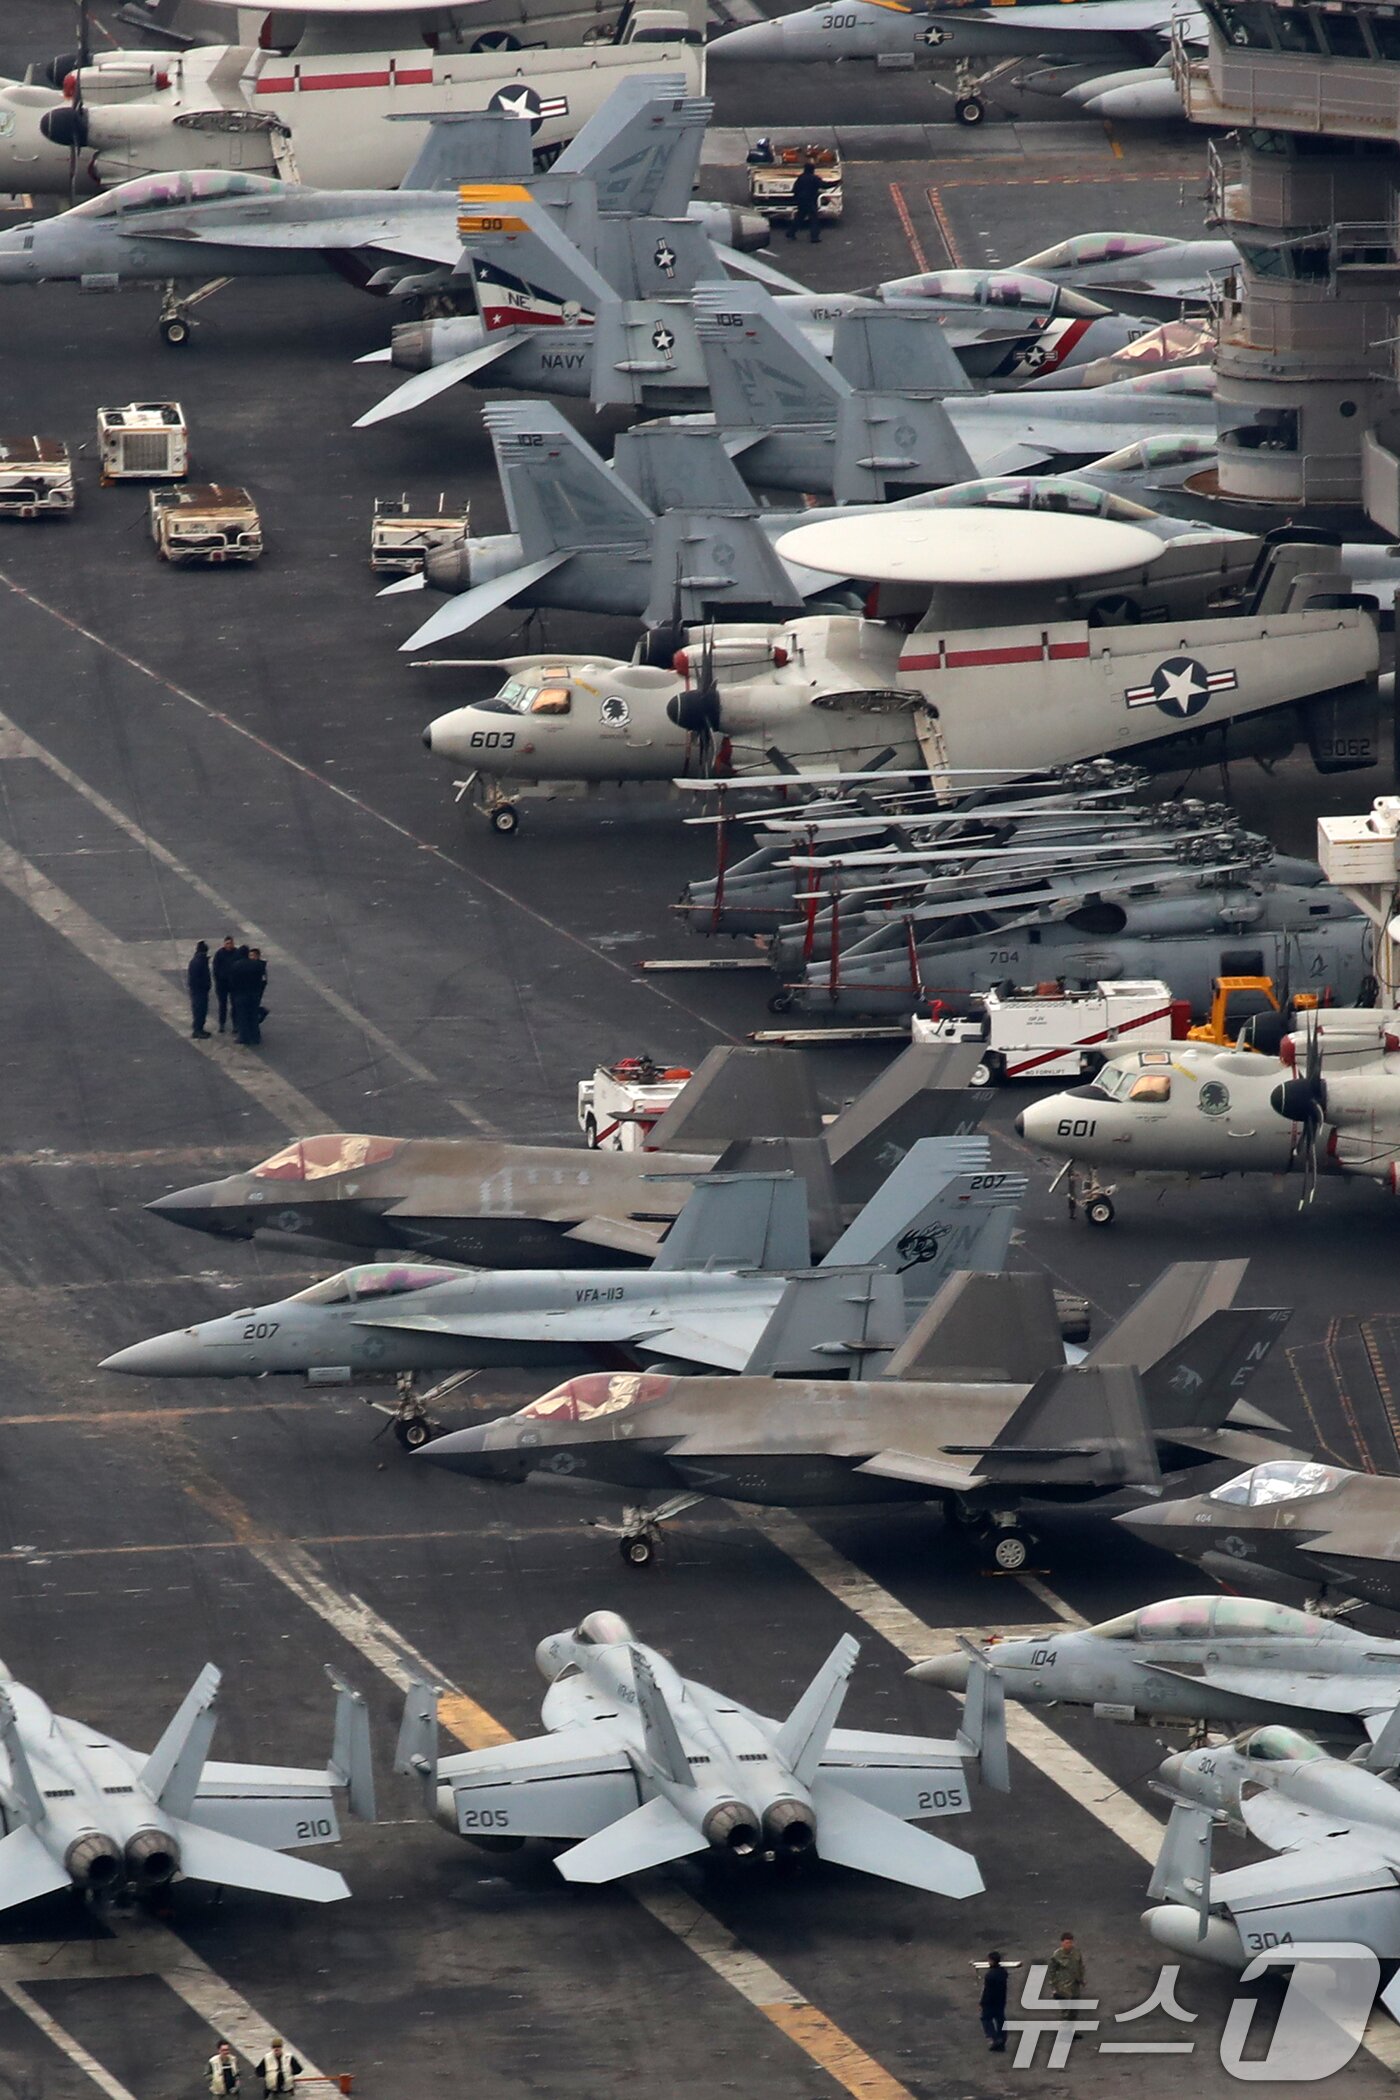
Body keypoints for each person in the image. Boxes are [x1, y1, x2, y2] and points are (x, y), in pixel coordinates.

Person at [230, 946, 268, 1048]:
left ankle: (244, 1037)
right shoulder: (257, 965)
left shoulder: (236, 966)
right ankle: (255, 1037)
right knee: (253, 1015)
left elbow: (232, 982)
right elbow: (262, 980)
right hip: (254, 994)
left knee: (242, 1016)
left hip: (241, 994)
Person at [787, 160, 823, 245]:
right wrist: (836, 183)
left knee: (799, 217)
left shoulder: (801, 178)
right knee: (814, 219)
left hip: (801, 200)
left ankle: (791, 232)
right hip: (810, 201)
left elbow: (795, 189)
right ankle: (814, 237)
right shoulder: (815, 178)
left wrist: (796, 198)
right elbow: (824, 185)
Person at [979, 1951, 1008, 2051]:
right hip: (1001, 2001)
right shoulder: (1003, 1973)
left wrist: (982, 2002)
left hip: (990, 2002)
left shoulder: (990, 1976)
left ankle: (994, 2038)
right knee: (1000, 2020)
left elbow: (987, 1991)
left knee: (986, 2019)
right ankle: (1002, 2039)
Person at [1047, 1930, 1086, 2001]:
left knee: (1074, 2008)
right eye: (1067, 1943)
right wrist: (1054, 1987)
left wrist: (1081, 1980)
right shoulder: (1057, 1955)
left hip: (1075, 1986)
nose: (1069, 1945)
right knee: (1066, 2009)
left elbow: (1080, 1966)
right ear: (1062, 1943)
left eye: (1070, 1942)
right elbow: (1052, 1971)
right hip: (1063, 1987)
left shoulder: (1076, 1952)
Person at [212, 935, 238, 1033]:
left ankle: (235, 1025)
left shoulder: (237, 953)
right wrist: (218, 980)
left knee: (234, 1005)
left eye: (230, 943)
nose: (229, 945)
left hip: (233, 984)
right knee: (222, 1005)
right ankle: (222, 1024)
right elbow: (215, 968)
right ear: (224, 944)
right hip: (222, 984)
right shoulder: (219, 954)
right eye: (227, 943)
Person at [187, 941, 212, 1039]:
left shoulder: (197, 960)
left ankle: (199, 1028)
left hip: (198, 990)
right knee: (200, 1010)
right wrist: (205, 986)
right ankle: (198, 1030)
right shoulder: (199, 962)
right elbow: (197, 978)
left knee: (200, 1010)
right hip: (199, 991)